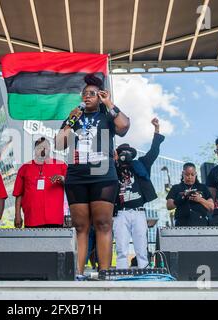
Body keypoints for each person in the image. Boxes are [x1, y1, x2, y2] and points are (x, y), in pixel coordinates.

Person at [55, 74, 130, 274]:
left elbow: (123, 127)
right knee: (80, 226)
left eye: (92, 94)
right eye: (84, 94)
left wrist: (110, 103)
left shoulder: (107, 114)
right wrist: (70, 122)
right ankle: (78, 273)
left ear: (100, 96)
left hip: (103, 174)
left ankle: (104, 273)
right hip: (77, 175)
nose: (87, 97)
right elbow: (59, 143)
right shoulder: (75, 117)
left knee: (103, 223)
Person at [113, 118, 164, 269]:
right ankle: (121, 271)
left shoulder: (140, 165)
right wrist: (114, 162)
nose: (126, 155)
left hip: (138, 212)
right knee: (121, 246)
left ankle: (144, 270)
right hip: (120, 213)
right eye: (123, 152)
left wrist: (156, 130)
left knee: (142, 245)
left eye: (129, 152)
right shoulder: (112, 168)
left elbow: (153, 152)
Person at [13, 137, 67, 228]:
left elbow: (73, 186)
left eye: (45, 147)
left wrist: (63, 179)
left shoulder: (61, 165)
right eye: (39, 147)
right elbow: (19, 194)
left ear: (49, 149)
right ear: (35, 150)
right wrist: (17, 215)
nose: (42, 149)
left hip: (54, 219)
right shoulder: (25, 168)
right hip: (32, 219)